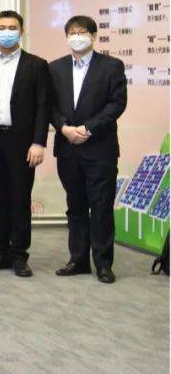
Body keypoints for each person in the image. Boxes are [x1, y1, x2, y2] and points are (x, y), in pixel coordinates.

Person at [49, 14, 127, 284]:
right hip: (67, 147)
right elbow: (49, 105)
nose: (77, 36)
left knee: (101, 206)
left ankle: (103, 264)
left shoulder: (111, 66)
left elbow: (117, 104)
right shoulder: (55, 68)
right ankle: (78, 260)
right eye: (72, 32)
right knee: (76, 206)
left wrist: (88, 128)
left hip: (100, 149)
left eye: (82, 32)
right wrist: (64, 128)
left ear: (94, 36)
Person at [0, 10, 51, 277]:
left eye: (12, 27)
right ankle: (2, 251)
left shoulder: (36, 65)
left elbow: (43, 107)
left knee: (20, 198)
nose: (7, 32)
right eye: (2, 27)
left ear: (21, 31)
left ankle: (20, 254)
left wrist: (38, 142)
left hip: (22, 143)